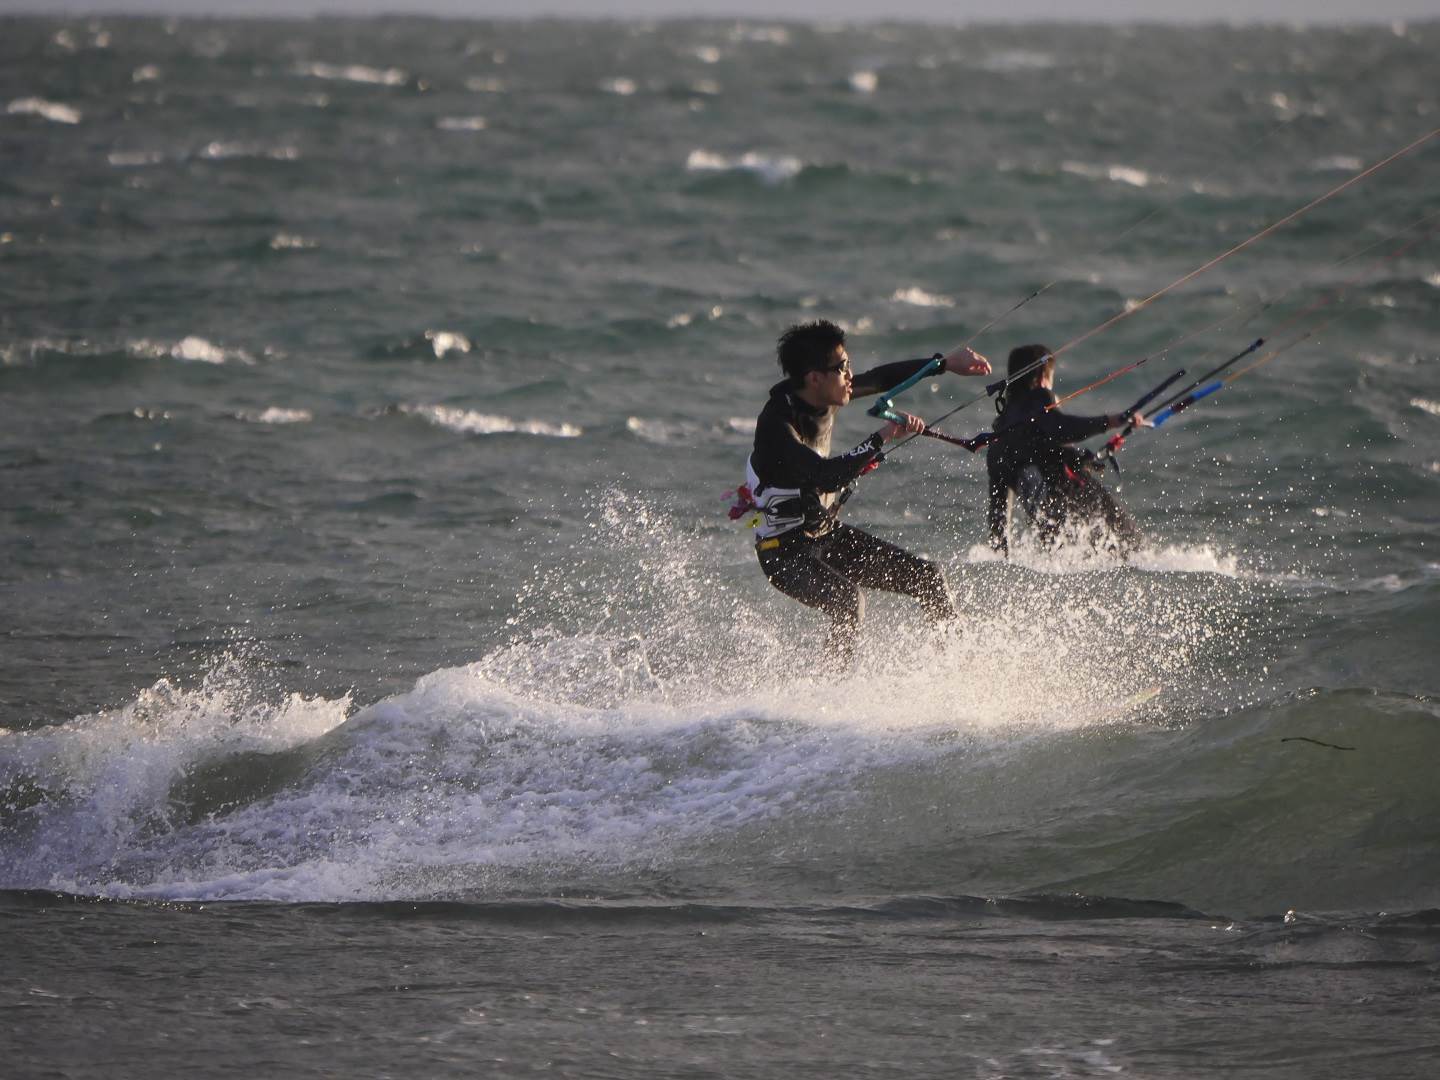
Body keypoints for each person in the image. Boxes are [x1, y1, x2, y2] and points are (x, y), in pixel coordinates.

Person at [743, 319, 991, 666]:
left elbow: (880, 379)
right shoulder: (776, 424)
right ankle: (832, 696)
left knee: (928, 577)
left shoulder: (824, 393)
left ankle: (961, 666)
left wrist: (944, 363)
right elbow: (825, 476)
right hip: (784, 553)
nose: (850, 375)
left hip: (824, 533)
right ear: (815, 377)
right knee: (848, 601)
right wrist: (882, 436)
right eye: (843, 368)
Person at [985, 343, 1149, 558]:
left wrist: (1000, 557)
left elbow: (997, 518)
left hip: (1052, 531)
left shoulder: (998, 441)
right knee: (1136, 550)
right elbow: (1060, 427)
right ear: (1043, 376)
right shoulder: (1041, 399)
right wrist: (1110, 421)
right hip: (1081, 507)